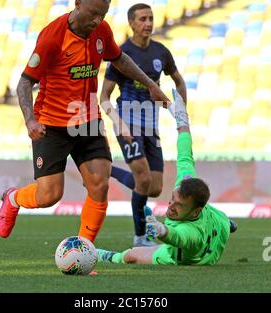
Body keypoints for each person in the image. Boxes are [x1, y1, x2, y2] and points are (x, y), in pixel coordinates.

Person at [0, 0, 170, 243]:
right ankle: (14, 198)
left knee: (100, 185)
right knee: (49, 196)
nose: (96, 20)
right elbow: (24, 82)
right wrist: (30, 120)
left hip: (87, 119)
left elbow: (119, 59)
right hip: (51, 124)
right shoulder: (52, 37)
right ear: (78, 5)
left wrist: (150, 84)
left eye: (102, 15)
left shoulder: (101, 31)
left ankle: (83, 250)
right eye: (92, 14)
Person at [97, 90, 236, 266]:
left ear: (195, 212)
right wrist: (182, 121)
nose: (171, 207)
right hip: (218, 223)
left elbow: (179, 237)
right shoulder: (185, 184)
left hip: (192, 256)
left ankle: (103, 255)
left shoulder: (191, 233)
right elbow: (185, 153)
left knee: (130, 256)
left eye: (179, 206)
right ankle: (228, 224)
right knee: (222, 219)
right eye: (172, 200)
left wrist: (162, 231)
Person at [100, 3, 186, 247]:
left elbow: (178, 80)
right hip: (127, 123)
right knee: (143, 178)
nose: (148, 23)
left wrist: (181, 110)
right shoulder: (121, 54)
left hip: (151, 125)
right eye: (142, 19)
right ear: (131, 23)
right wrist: (119, 123)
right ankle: (140, 236)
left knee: (154, 188)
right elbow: (104, 97)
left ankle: (109, 170)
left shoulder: (161, 52)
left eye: (150, 18)